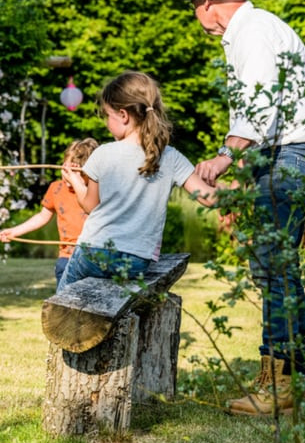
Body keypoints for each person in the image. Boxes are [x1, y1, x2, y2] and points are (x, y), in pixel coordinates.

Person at [174, 0, 305, 416]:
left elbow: (260, 108)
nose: (196, 15)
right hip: (285, 154)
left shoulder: (253, 32)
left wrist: (225, 157)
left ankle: (279, 387)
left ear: (206, 2)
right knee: (275, 268)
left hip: (291, 155)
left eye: (194, 6)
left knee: (273, 268)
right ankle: (288, 379)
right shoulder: (252, 29)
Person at [58, 71, 217, 292]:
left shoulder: (104, 153)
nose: (106, 123)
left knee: (64, 299)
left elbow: (90, 206)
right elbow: (210, 199)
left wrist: (75, 180)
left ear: (123, 115)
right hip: (137, 260)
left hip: (95, 251)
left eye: (107, 116)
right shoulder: (171, 156)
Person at [0, 138, 99, 285]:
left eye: (77, 173)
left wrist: (81, 186)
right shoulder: (56, 188)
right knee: (64, 303)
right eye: (66, 170)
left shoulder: (96, 191)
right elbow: (42, 216)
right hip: (67, 258)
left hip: (93, 257)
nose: (69, 177)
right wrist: (15, 231)